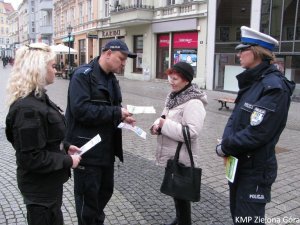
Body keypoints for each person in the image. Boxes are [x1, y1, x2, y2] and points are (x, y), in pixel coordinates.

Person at [215, 26, 295, 224]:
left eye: (243, 49)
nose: (238, 53)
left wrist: (224, 146)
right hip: (240, 164)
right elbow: (239, 120)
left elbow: (257, 133)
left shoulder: (274, 87)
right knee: (238, 216)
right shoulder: (254, 81)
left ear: (258, 52)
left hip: (255, 170)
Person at [5, 43, 82, 225]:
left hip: (48, 185)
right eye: (53, 66)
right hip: (39, 190)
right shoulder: (28, 109)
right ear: (38, 69)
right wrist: (67, 161)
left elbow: (47, 137)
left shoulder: (38, 99)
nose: (56, 71)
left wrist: (65, 147)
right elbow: (31, 157)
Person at [65, 39, 136, 225]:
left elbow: (113, 108)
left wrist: (122, 117)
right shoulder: (82, 76)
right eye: (121, 58)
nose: (123, 63)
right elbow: (80, 110)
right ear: (107, 53)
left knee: (105, 192)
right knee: (87, 201)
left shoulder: (112, 79)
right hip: (87, 151)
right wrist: (115, 112)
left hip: (107, 150)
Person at [150, 62, 207, 225]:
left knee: (182, 193)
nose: (171, 81)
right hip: (172, 154)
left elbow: (192, 133)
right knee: (178, 192)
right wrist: (156, 127)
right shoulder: (174, 97)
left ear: (186, 81)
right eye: (170, 77)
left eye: (175, 78)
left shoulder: (193, 102)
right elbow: (164, 119)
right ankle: (180, 218)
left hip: (182, 156)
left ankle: (184, 221)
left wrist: (164, 125)